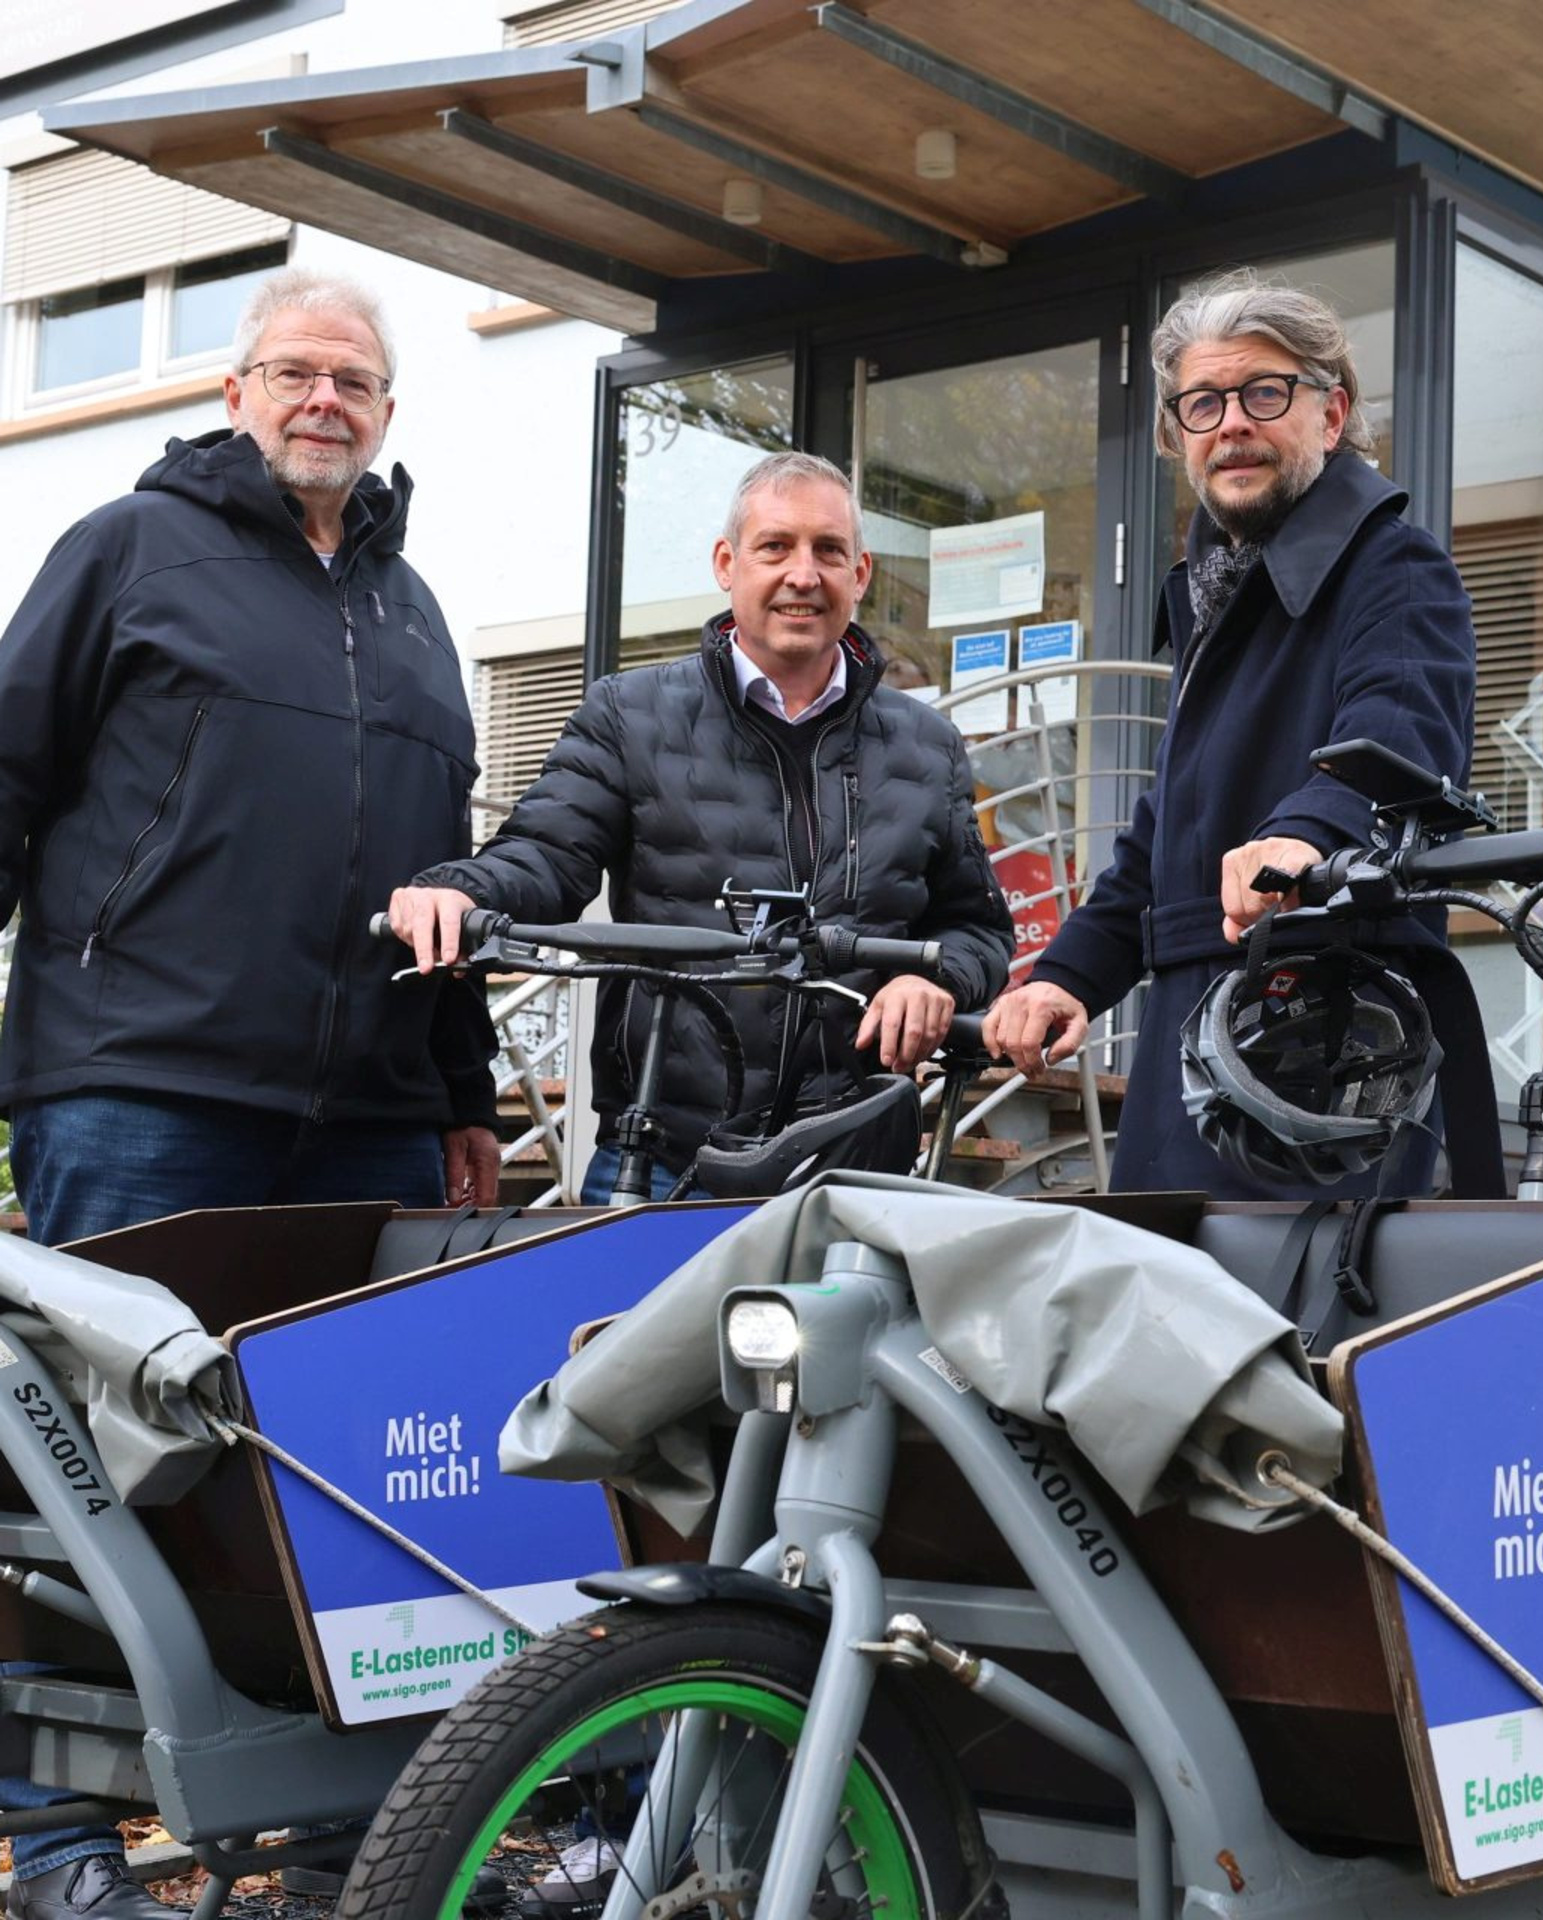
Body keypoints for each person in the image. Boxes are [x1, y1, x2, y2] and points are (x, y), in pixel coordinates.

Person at [0, 267, 498, 1919]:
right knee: (89, 1469)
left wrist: (465, 1096)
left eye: (353, 378)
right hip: (139, 1082)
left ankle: (352, 1830)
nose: (324, 400)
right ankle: (60, 1841)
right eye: (294, 371)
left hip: (361, 1112)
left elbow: (447, 882)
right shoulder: (127, 550)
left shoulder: (418, 610)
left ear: (388, 410)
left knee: (333, 1477)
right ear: (235, 391)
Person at [389, 450, 1014, 1214]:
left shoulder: (927, 745)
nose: (802, 574)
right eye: (775, 546)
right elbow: (548, 852)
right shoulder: (631, 714)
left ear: (862, 573)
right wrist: (456, 889)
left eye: (829, 551)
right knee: (614, 1338)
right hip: (660, 1157)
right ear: (727, 563)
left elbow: (977, 929)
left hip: (855, 1165)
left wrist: (936, 978)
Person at [984, 269, 1485, 1200]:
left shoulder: (1394, 567)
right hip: (1196, 1042)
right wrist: (1066, 979)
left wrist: (1309, 834)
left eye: (1264, 392)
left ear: (1331, 416)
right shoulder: (1221, 591)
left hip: (1326, 1048)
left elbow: (1399, 734)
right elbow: (1162, 840)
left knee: (1300, 1339)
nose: (1232, 423)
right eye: (1203, 404)